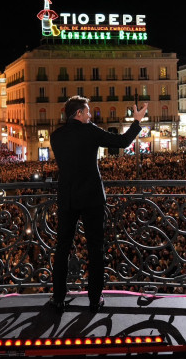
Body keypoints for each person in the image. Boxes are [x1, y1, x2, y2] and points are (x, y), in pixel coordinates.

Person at [49, 95, 149, 313]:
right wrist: (137, 121)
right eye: (87, 112)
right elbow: (122, 142)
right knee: (95, 250)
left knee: (62, 248)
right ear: (78, 113)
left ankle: (58, 298)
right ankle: (95, 299)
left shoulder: (55, 136)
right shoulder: (90, 131)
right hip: (92, 199)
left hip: (67, 198)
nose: (89, 115)